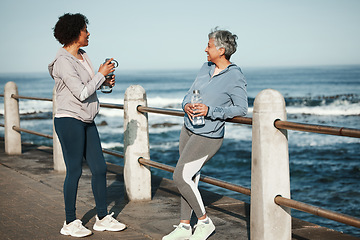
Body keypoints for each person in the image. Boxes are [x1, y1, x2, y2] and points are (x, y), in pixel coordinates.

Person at [162, 28, 248, 240]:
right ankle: (184, 227)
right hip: (188, 129)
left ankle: (204, 221)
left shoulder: (235, 75)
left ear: (221, 49)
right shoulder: (205, 67)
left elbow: (241, 109)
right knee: (189, 177)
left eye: (209, 45)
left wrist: (211, 111)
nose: (205, 49)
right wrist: (186, 106)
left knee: (180, 176)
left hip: (208, 135)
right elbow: (189, 94)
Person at [48, 13, 126, 237]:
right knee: (74, 171)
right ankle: (70, 222)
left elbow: (89, 86)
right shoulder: (63, 61)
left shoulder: (84, 56)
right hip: (69, 119)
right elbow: (81, 93)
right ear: (75, 33)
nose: (88, 33)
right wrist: (100, 75)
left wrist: (104, 81)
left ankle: (102, 218)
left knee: (100, 168)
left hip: (87, 119)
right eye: (85, 30)